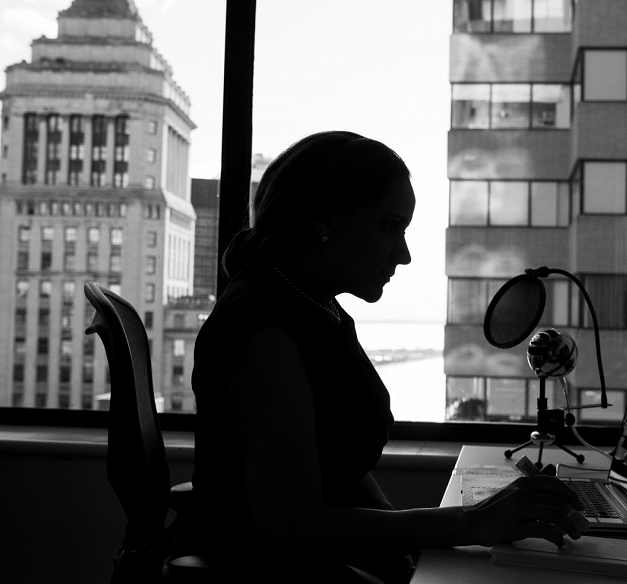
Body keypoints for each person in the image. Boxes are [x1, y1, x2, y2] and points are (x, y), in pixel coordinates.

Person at [187, 131, 587, 583]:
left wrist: (406, 551)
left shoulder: (317, 309)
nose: (405, 254)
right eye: (391, 225)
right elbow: (289, 529)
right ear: (325, 217)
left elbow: (338, 471)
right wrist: (469, 523)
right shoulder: (264, 332)